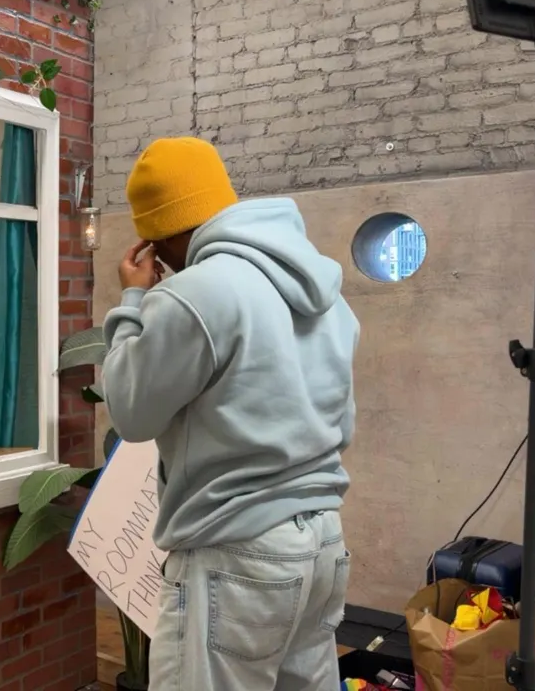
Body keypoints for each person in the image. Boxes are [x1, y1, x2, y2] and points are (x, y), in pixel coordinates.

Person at [100, 137, 360, 691]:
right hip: (321, 543)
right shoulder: (322, 286)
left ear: (157, 236)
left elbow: (130, 413)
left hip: (237, 555)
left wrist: (132, 302)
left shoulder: (194, 294)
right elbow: (342, 420)